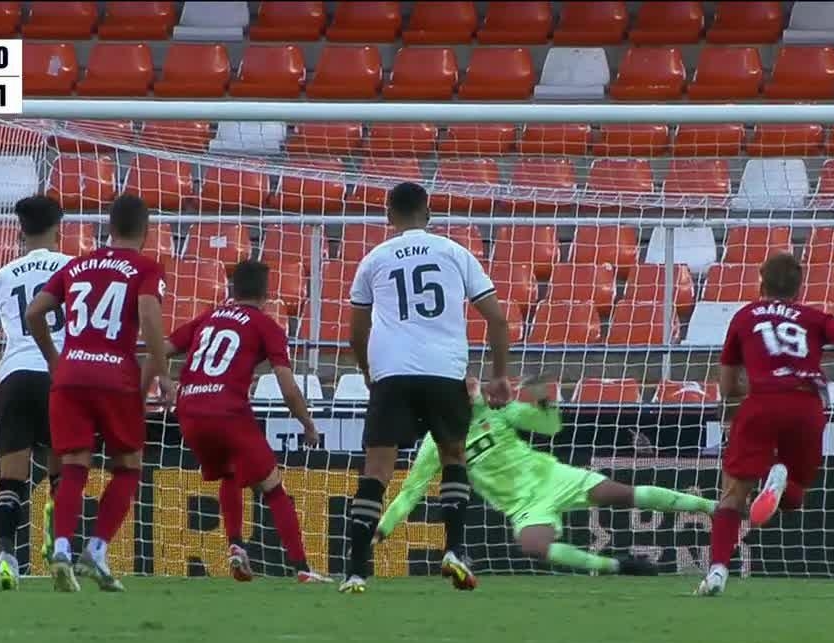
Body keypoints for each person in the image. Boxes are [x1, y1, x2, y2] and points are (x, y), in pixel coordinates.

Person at [342, 181, 513, 594]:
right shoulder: (455, 252)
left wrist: (368, 371)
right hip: (444, 372)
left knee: (377, 470)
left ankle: (355, 572)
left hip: (393, 374)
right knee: (454, 457)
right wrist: (499, 375)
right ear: (429, 213)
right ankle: (454, 550)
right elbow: (497, 319)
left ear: (388, 215)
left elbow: (356, 332)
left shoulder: (374, 259)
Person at [377, 377, 716, 578]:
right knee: (532, 545)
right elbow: (410, 492)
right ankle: (619, 565)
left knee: (623, 494)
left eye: (471, 386)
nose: (472, 391)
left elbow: (550, 426)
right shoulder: (435, 444)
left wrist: (544, 401)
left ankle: (712, 505)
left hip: (553, 477)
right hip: (524, 505)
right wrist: (382, 528)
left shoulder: (498, 410)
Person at [699, 252, 834, 597]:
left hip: (763, 402)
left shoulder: (745, 316)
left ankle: (718, 571)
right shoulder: (812, 317)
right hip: (806, 405)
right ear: (798, 289)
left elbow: (727, 388)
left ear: (761, 281)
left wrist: (737, 409)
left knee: (733, 495)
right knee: (795, 497)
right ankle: (778, 476)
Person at [25, 194, 172, 593]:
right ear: (146, 231)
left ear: (109, 226)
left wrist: (56, 359)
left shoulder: (78, 264)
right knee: (128, 465)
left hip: (71, 374)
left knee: (74, 464)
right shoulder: (145, 267)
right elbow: (147, 314)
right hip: (114, 374)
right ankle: (97, 549)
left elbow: (34, 312)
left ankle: (60, 549)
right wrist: (161, 372)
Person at [166, 260, 332, 583]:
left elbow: (164, 346)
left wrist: (164, 380)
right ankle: (302, 569)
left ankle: (236, 546)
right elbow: (287, 386)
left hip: (189, 409)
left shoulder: (208, 318)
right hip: (227, 410)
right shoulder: (266, 325)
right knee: (273, 488)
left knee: (230, 471)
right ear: (267, 293)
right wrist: (308, 424)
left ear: (232, 289)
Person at [0, 195, 72, 590]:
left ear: (20, 231)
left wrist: (3, 373)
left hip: (14, 378)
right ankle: (59, 546)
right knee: (63, 473)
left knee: (10, 480)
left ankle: (6, 555)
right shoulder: (71, 269)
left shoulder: (2, 275)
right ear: (58, 229)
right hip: (58, 376)